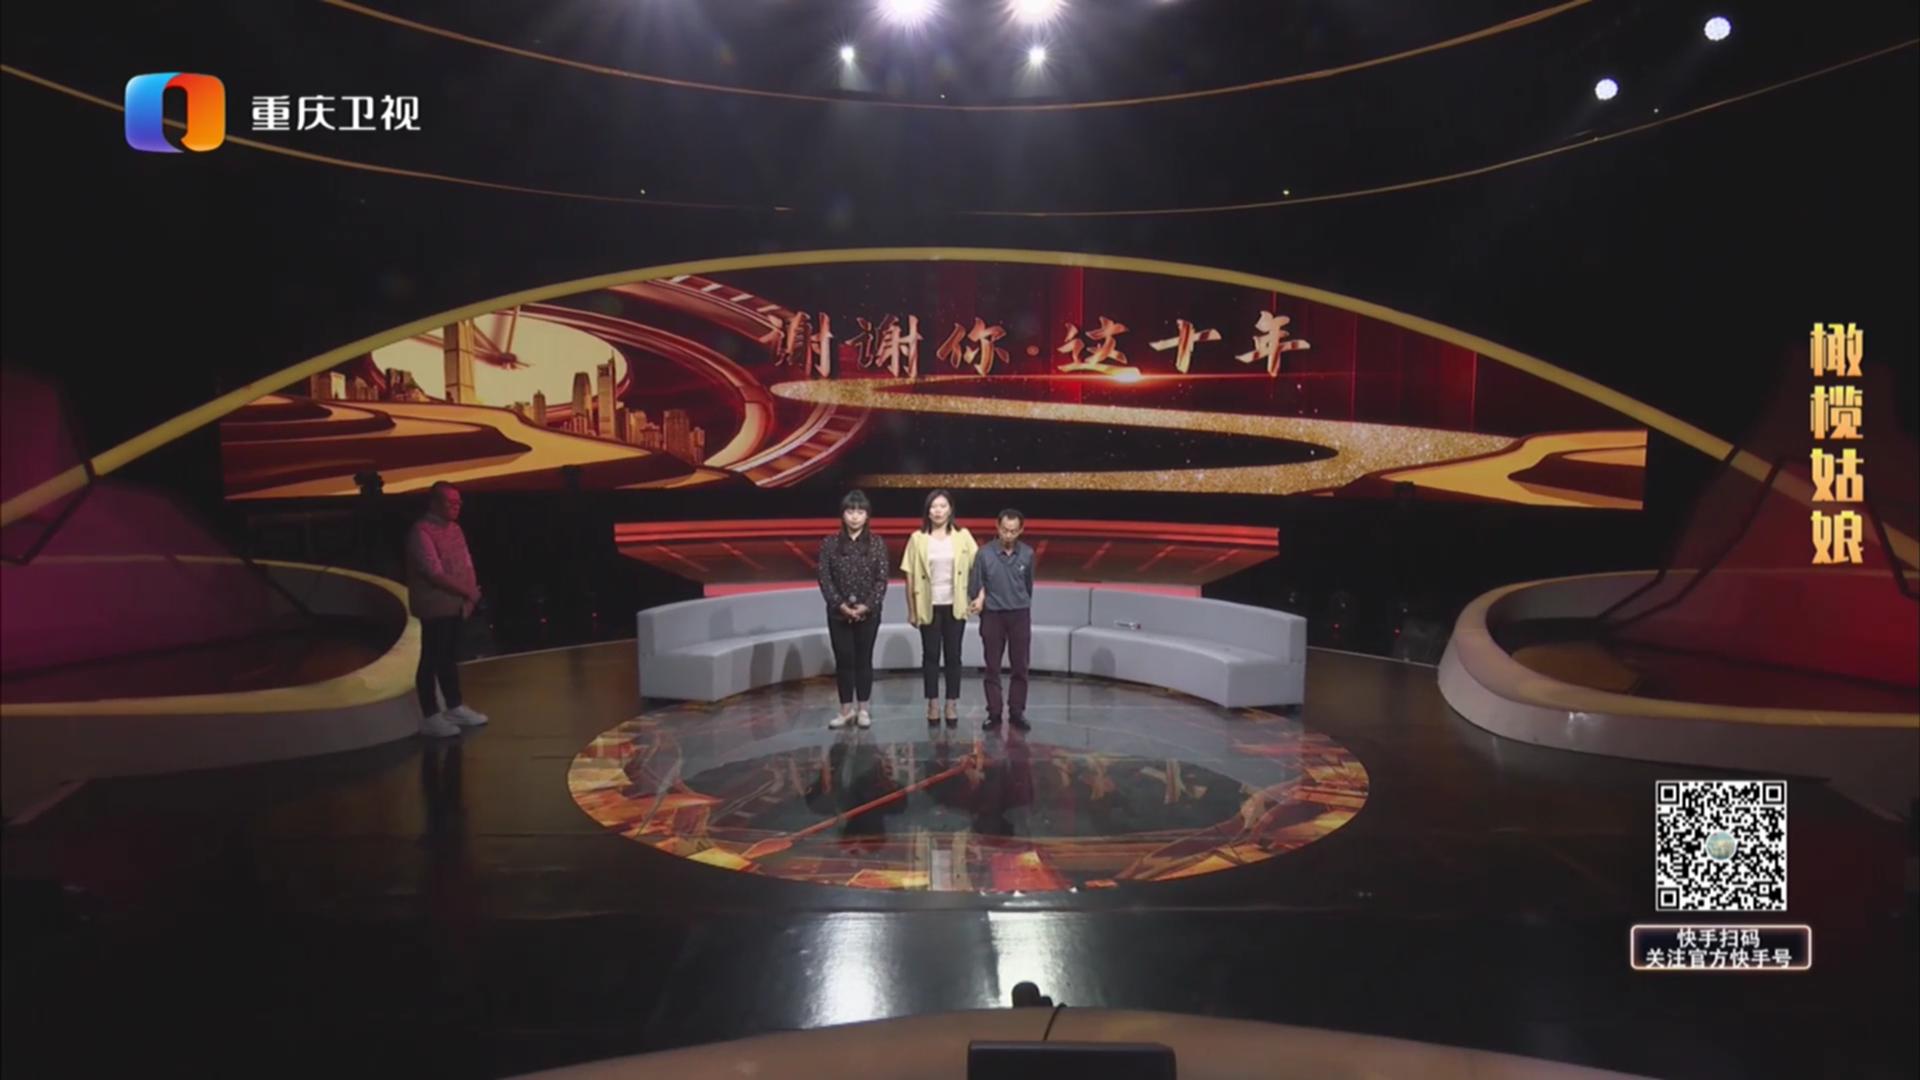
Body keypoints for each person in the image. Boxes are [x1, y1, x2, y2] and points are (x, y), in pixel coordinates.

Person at [407, 481, 488, 738]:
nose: (456, 506)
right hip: (434, 604)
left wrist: (470, 596)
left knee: (449, 656)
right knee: (432, 656)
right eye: (450, 502)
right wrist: (468, 592)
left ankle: (454, 706)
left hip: (456, 603)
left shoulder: (455, 529)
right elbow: (434, 572)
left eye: (458, 502)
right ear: (434, 503)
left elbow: (467, 563)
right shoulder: (421, 531)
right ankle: (430, 715)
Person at [900, 489, 978, 728]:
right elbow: (910, 577)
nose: (938, 511)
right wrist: (912, 610)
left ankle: (951, 703)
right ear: (928, 511)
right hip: (928, 605)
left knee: (954, 656)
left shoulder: (963, 536)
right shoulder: (918, 538)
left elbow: (978, 568)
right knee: (930, 656)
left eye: (943, 506)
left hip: (955, 604)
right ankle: (932, 703)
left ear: (950, 509)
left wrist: (978, 596)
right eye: (934, 506)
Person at [817, 490, 888, 729]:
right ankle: (845, 710)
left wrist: (866, 606)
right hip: (839, 614)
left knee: (863, 660)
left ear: (867, 515)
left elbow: (881, 580)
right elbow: (825, 578)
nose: (855, 517)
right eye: (850, 511)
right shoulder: (830, 544)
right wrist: (841, 605)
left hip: (869, 613)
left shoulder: (877, 543)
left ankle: (864, 710)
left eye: (860, 512)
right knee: (844, 660)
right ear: (842, 514)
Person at [969, 508, 1036, 732]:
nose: (1008, 535)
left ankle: (1017, 712)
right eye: (1005, 530)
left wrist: (1020, 601)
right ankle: (994, 713)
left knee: (1020, 666)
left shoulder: (1027, 554)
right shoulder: (984, 554)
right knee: (992, 667)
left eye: (1013, 531)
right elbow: (975, 585)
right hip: (993, 615)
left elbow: (1028, 586)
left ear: (1021, 530)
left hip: (1019, 614)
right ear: (997, 527)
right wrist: (980, 601)